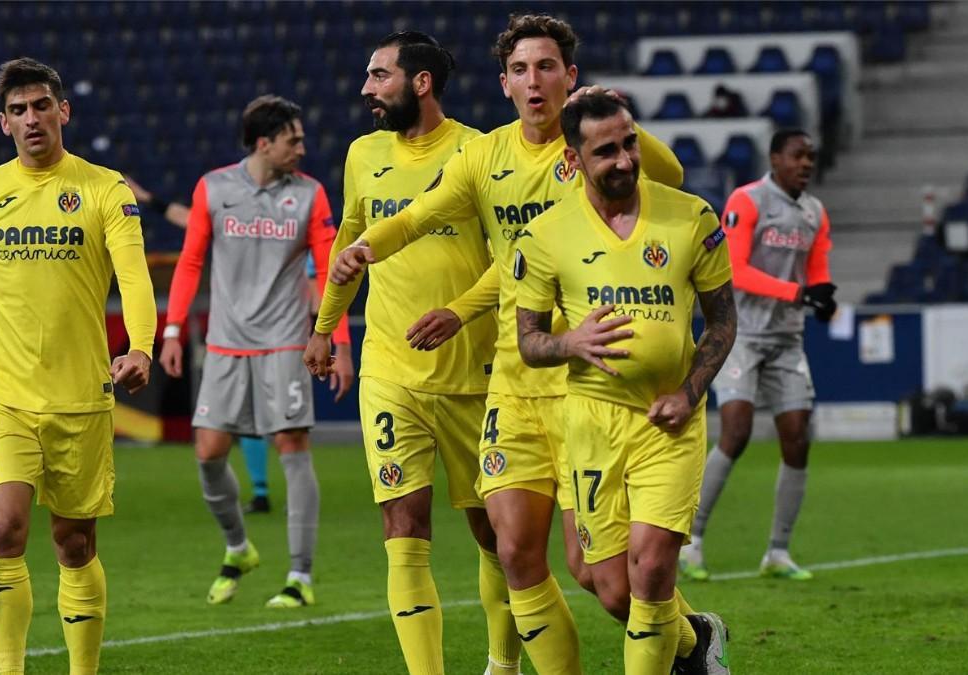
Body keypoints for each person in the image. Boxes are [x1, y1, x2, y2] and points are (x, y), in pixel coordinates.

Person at [317, 14, 684, 673]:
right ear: (504, 83)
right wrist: (364, 250)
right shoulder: (484, 157)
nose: (533, 80)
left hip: (586, 383)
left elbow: (673, 176)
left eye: (547, 67)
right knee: (514, 553)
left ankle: (689, 639)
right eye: (520, 69)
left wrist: (615, 120)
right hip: (512, 378)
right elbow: (417, 216)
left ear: (570, 77)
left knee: (601, 576)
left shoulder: (593, 151)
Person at [0, 57, 156, 675]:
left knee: (75, 544)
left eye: (41, 105)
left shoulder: (105, 189)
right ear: (3, 124)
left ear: (63, 111)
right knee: (5, 532)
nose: (31, 118)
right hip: (4, 396)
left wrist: (142, 345)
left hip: (81, 397)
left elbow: (135, 278)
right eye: (18, 110)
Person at [303, 31, 518, 675]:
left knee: (494, 533)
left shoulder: (479, 152)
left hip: (475, 373)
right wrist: (325, 326)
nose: (366, 90)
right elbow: (351, 238)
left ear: (419, 82)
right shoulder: (363, 154)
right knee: (404, 527)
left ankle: (502, 665)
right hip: (390, 371)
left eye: (379, 76)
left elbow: (515, 260)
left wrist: (460, 313)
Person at [515, 91, 736, 675]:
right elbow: (529, 341)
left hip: (669, 423)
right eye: (606, 150)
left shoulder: (691, 217)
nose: (623, 160)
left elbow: (723, 320)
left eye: (629, 143)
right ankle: (696, 641)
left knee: (654, 571)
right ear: (575, 159)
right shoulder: (546, 235)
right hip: (590, 424)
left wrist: (689, 394)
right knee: (611, 588)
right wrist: (569, 343)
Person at [159, 95, 354, 608]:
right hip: (224, 345)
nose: (303, 148)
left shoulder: (310, 195)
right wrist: (174, 331)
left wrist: (339, 342)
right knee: (207, 454)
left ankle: (300, 577)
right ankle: (238, 547)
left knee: (292, 448)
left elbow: (331, 270)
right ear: (264, 143)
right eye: (294, 139)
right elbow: (190, 261)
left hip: (284, 343)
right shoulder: (214, 188)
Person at [681, 129, 836, 582]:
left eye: (811, 156)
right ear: (775, 158)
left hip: (787, 338)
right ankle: (692, 541)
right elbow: (736, 268)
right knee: (737, 430)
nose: (806, 163)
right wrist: (798, 292)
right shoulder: (747, 201)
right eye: (797, 155)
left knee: (797, 437)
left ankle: (778, 552)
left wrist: (823, 295)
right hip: (741, 334)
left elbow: (819, 268)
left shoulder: (814, 212)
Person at [124, 176, 326, 516]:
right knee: (245, 418)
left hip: (284, 340)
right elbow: (190, 219)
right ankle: (261, 492)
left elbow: (315, 285)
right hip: (240, 338)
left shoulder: (296, 230)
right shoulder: (237, 222)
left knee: (285, 430)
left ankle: (297, 510)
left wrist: (321, 334)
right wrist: (148, 197)